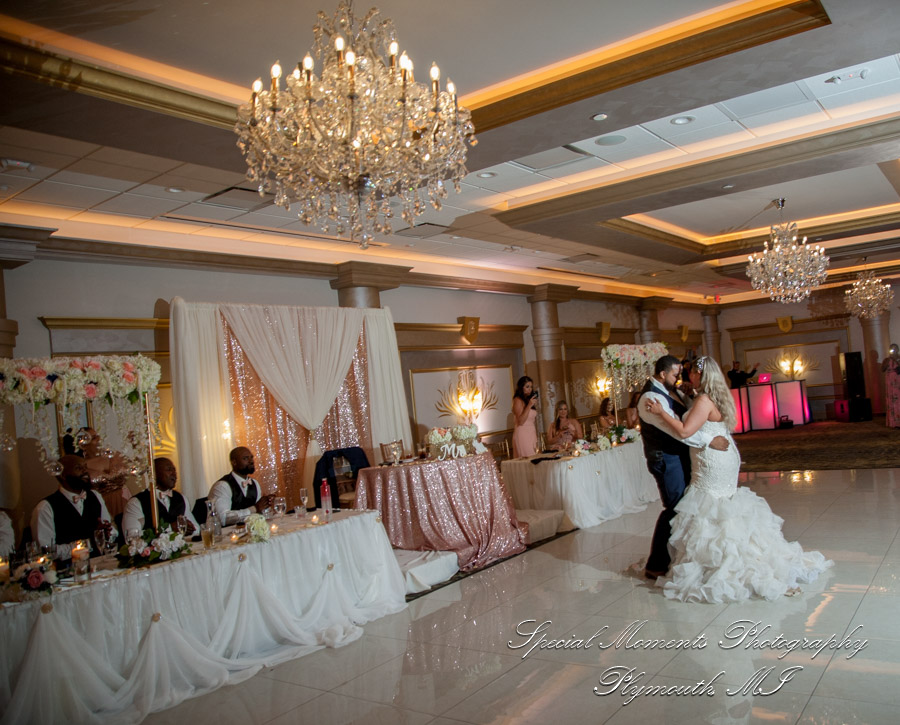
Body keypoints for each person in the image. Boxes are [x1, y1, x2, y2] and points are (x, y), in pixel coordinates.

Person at [647, 356, 831, 602]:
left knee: (712, 509)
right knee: (724, 506)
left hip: (712, 459)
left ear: (700, 375)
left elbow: (684, 431)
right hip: (724, 456)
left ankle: (724, 563)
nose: (687, 375)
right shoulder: (715, 397)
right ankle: (740, 557)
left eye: (691, 372)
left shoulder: (703, 400)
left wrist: (661, 412)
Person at [638, 355, 730, 580]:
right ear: (662, 374)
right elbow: (677, 431)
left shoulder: (673, 391)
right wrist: (710, 441)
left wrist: (690, 396)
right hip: (665, 458)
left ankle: (680, 557)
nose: (679, 378)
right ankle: (656, 564)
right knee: (675, 507)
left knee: (687, 505)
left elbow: (693, 417)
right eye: (675, 374)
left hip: (679, 455)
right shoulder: (650, 397)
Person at [31, 454, 112, 560]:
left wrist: (105, 534)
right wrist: (87, 544)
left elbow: (112, 531)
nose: (85, 471)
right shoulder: (45, 508)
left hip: (99, 564)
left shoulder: (95, 496)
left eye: (85, 467)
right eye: (78, 468)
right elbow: (46, 551)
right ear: (62, 475)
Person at [66, 427, 133, 519]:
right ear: (83, 445)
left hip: (124, 501)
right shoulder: (82, 467)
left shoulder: (114, 455)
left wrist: (136, 445)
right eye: (93, 438)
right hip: (101, 506)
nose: (98, 439)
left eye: (97, 436)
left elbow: (140, 470)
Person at [122, 458, 198, 534]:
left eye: (174, 470)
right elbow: (132, 536)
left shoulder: (181, 498)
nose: (174, 473)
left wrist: (190, 529)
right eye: (169, 469)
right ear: (154, 474)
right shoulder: (136, 503)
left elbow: (197, 529)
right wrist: (170, 528)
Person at [209, 447, 274, 525]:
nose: (251, 461)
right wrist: (254, 509)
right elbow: (223, 519)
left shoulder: (255, 483)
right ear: (234, 462)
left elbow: (259, 513)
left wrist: (266, 504)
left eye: (251, 457)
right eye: (245, 458)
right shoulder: (222, 486)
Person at [511, 376, 539, 457]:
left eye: (531, 387)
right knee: (527, 459)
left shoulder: (528, 400)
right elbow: (521, 421)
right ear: (521, 387)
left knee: (535, 457)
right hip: (522, 433)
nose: (530, 389)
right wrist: (529, 405)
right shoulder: (517, 400)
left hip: (531, 432)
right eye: (527, 387)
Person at [882, 343, 900, 428]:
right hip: (890, 382)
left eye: (895, 349)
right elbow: (883, 369)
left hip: (899, 380)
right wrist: (889, 359)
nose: (894, 350)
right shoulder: (887, 359)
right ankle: (894, 422)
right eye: (892, 349)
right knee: (892, 399)